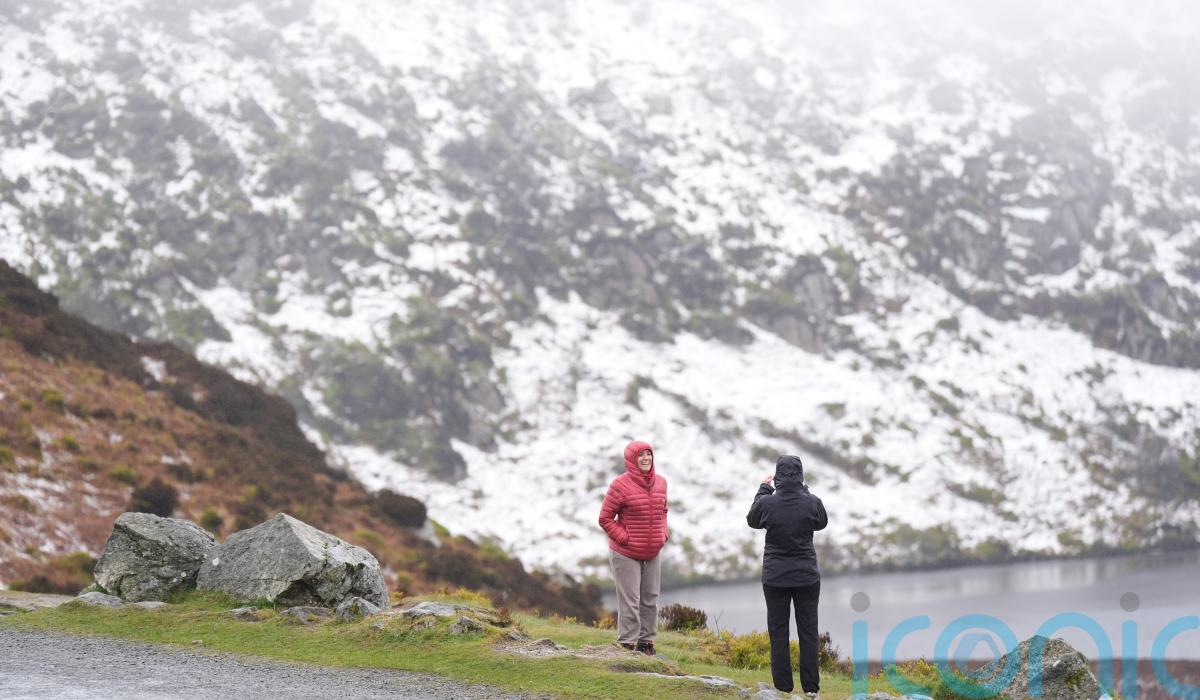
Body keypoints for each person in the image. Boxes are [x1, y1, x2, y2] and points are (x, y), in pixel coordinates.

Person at [746, 454, 828, 698]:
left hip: (775, 579)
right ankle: (810, 688)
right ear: (800, 475)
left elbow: (752, 519)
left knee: (779, 632)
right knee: (809, 631)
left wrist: (763, 489)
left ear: (777, 476)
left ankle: (783, 688)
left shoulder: (767, 503)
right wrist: (805, 491)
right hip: (806, 577)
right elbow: (821, 522)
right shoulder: (812, 502)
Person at [598, 439, 669, 656]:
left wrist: (663, 534)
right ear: (631, 459)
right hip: (625, 553)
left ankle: (646, 644)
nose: (646, 458)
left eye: (648, 454)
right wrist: (625, 538)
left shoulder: (661, 483)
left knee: (650, 598)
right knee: (631, 601)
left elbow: (663, 511)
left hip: (653, 551)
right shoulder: (619, 485)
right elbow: (605, 518)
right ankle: (627, 644)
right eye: (641, 455)